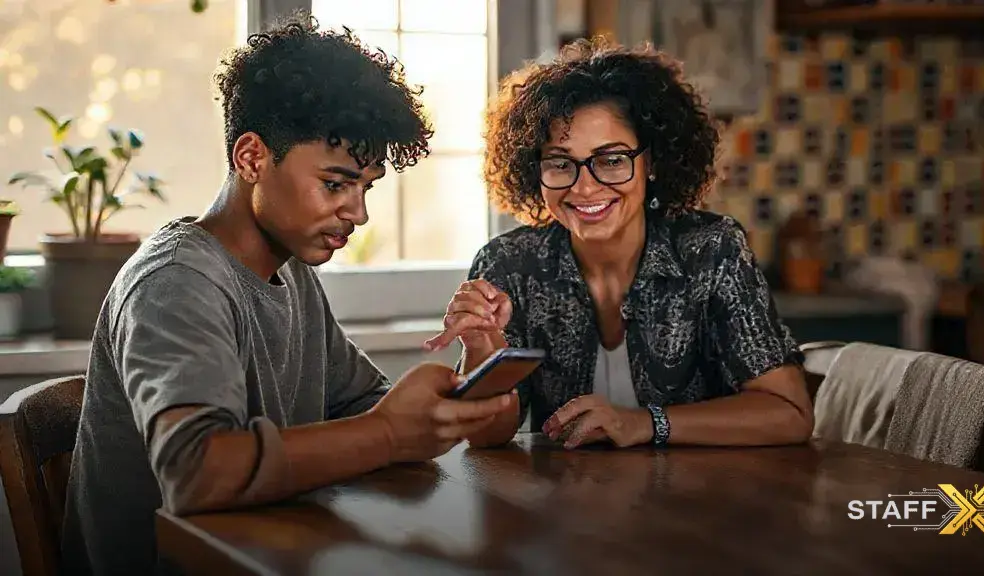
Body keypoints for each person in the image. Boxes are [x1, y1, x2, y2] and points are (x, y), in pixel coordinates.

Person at [60, 15, 514, 576]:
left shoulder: (292, 273)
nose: (359, 212)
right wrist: (392, 432)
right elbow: (196, 472)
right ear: (251, 158)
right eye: (335, 183)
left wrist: (478, 361)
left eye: (365, 187)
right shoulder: (175, 281)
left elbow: (367, 414)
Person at [424, 38, 813, 451]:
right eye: (560, 163)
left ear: (653, 161)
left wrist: (646, 424)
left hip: (702, 502)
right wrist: (484, 351)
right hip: (564, 505)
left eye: (611, 160)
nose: (585, 186)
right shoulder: (509, 265)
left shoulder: (711, 251)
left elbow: (789, 413)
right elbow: (487, 436)